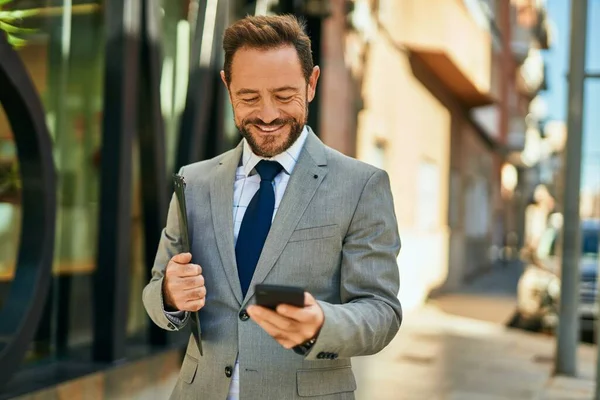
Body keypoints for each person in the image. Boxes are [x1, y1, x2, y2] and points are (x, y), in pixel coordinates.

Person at [142, 14, 402, 400]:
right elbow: (155, 289)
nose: (267, 115)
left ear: (312, 84)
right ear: (227, 87)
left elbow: (382, 311)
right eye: (249, 97)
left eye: (284, 96)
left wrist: (322, 323)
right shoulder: (192, 182)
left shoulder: (361, 185)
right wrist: (168, 295)